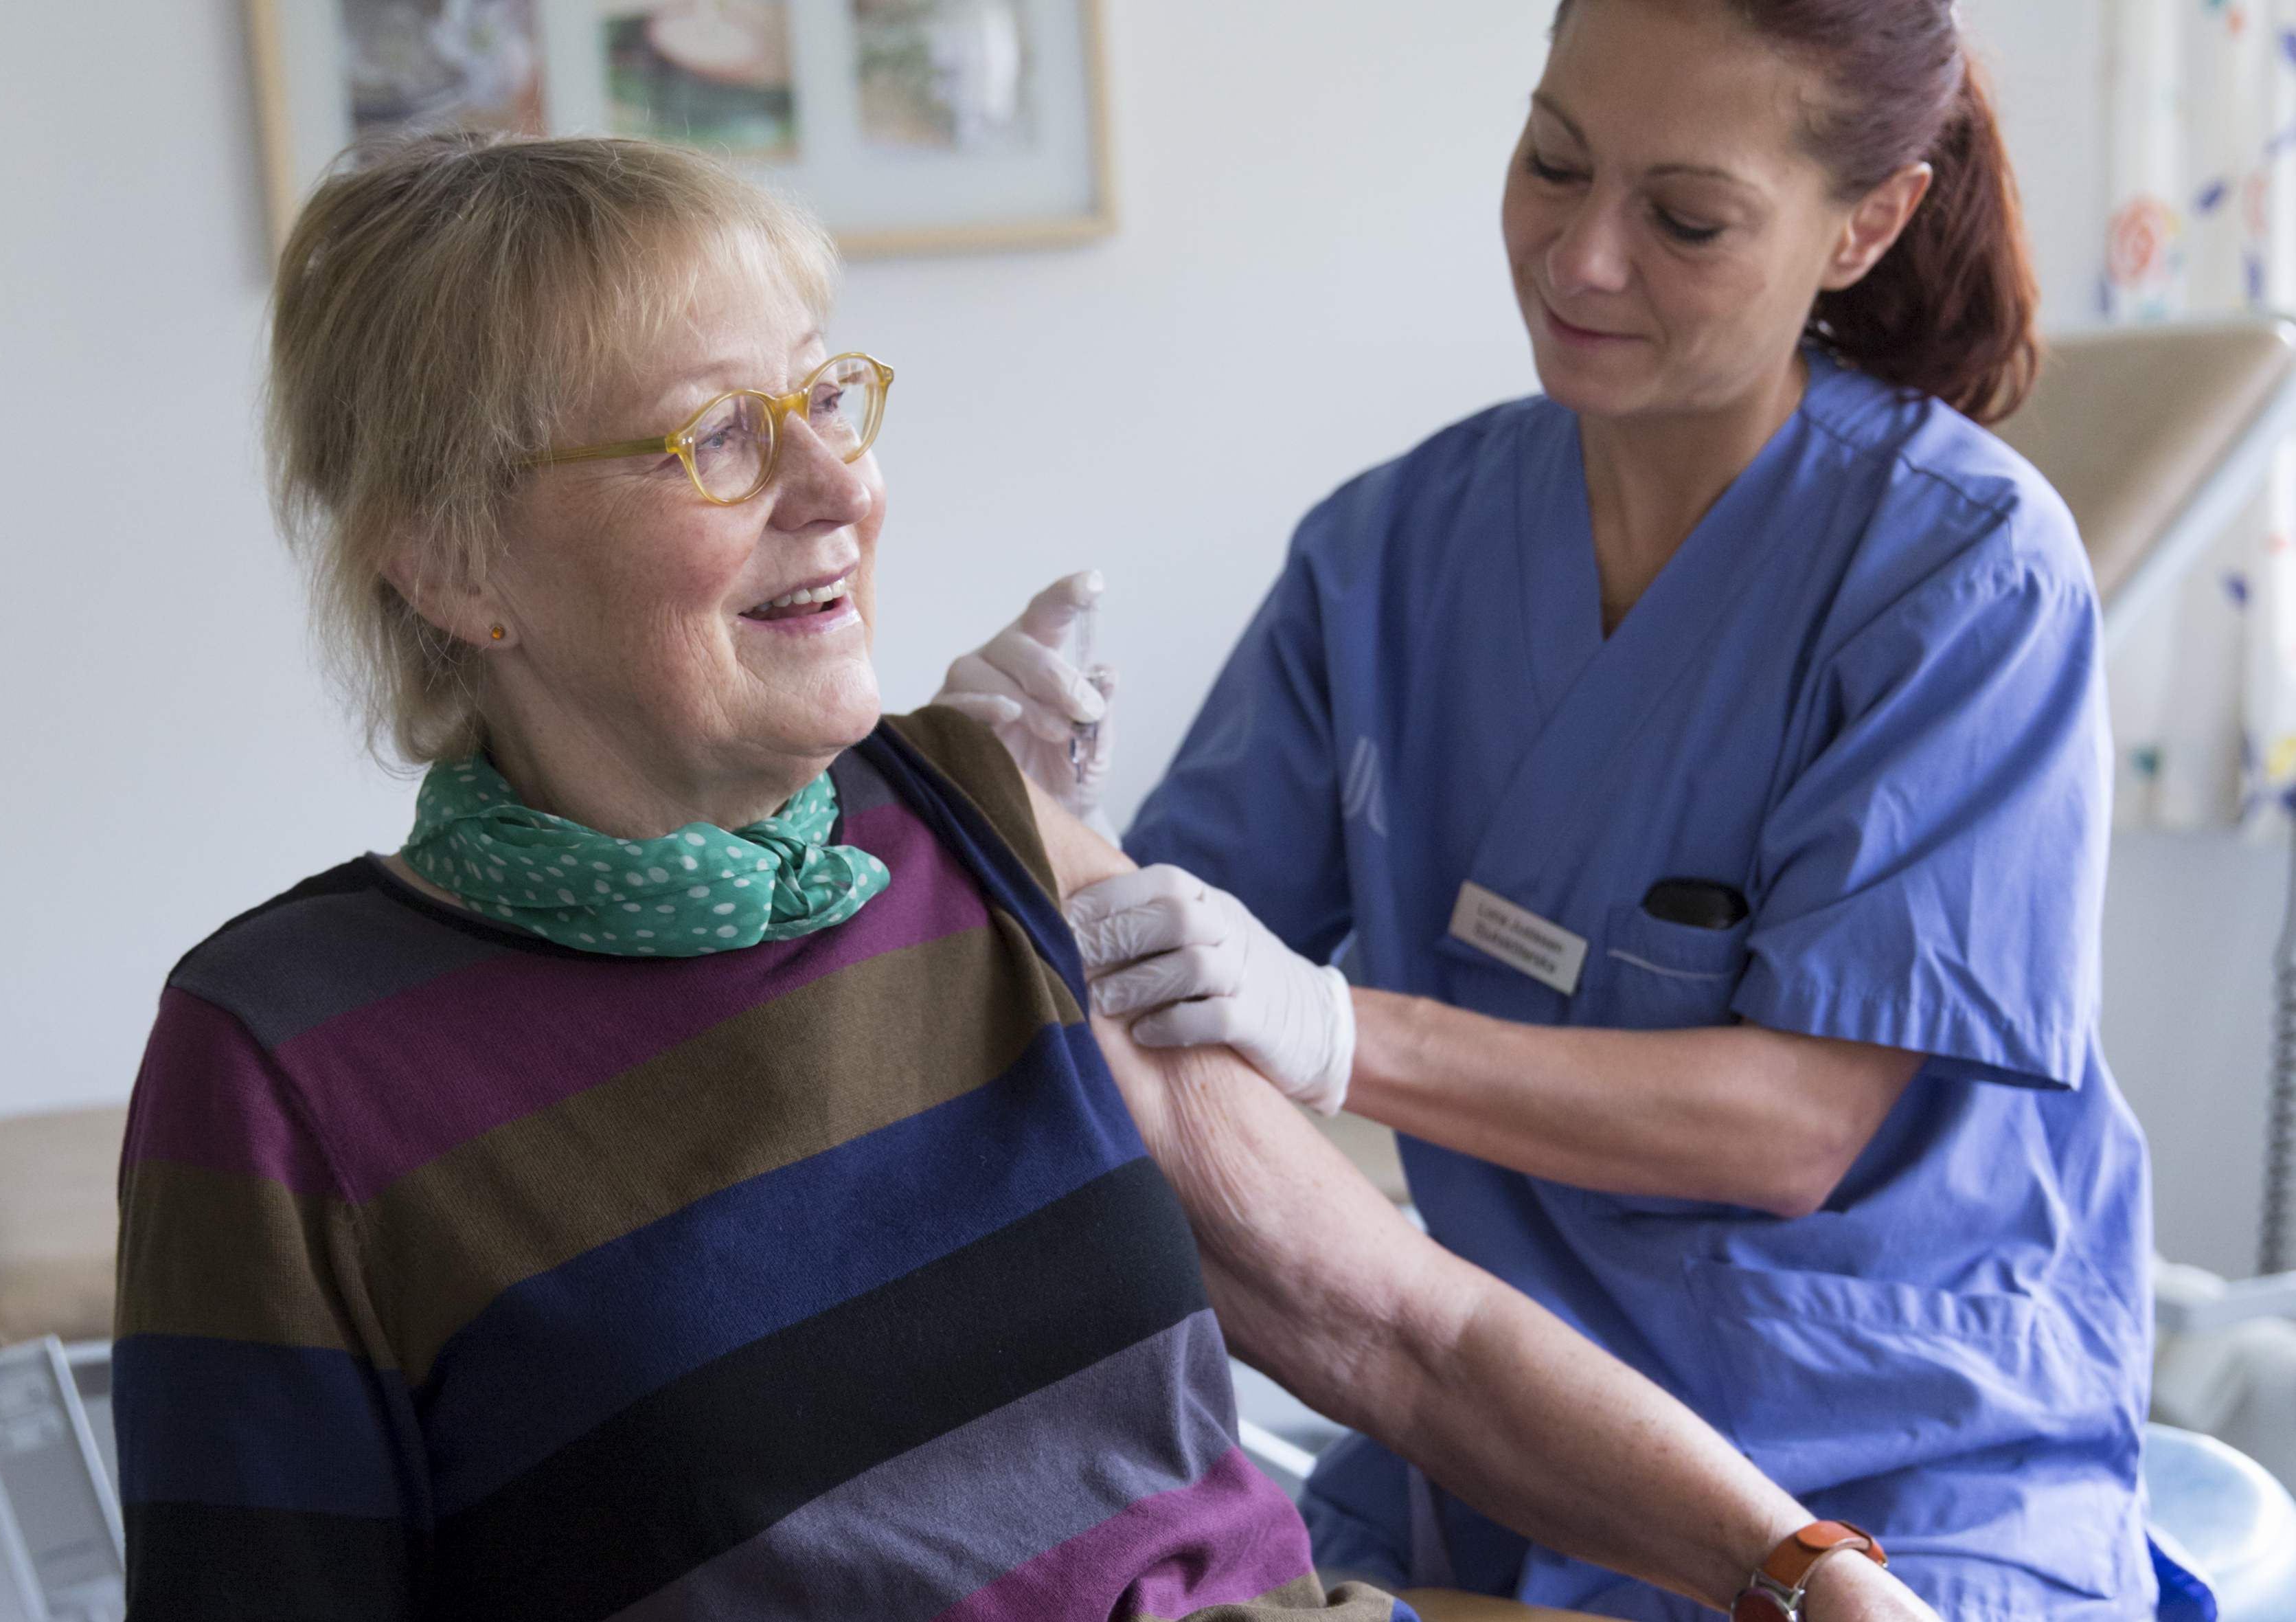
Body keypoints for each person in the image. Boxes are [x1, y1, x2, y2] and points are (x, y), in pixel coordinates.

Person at [109, 133, 1942, 1622]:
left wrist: (1799, 1569)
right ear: (450, 567)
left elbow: (1406, 1325)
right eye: (719, 437)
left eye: (827, 397)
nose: (841, 485)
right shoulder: (285, 1061)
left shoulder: (974, 817)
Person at [948, 3, 2153, 1619]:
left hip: (1892, 1455)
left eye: (1682, 217)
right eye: (1551, 162)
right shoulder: (1383, 555)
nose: (1578, 259)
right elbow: (1159, 996)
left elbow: (1789, 1126)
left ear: (1863, 223)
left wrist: (1331, 1027)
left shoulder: (1958, 571)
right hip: (1493, 1444)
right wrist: (1023, 821)